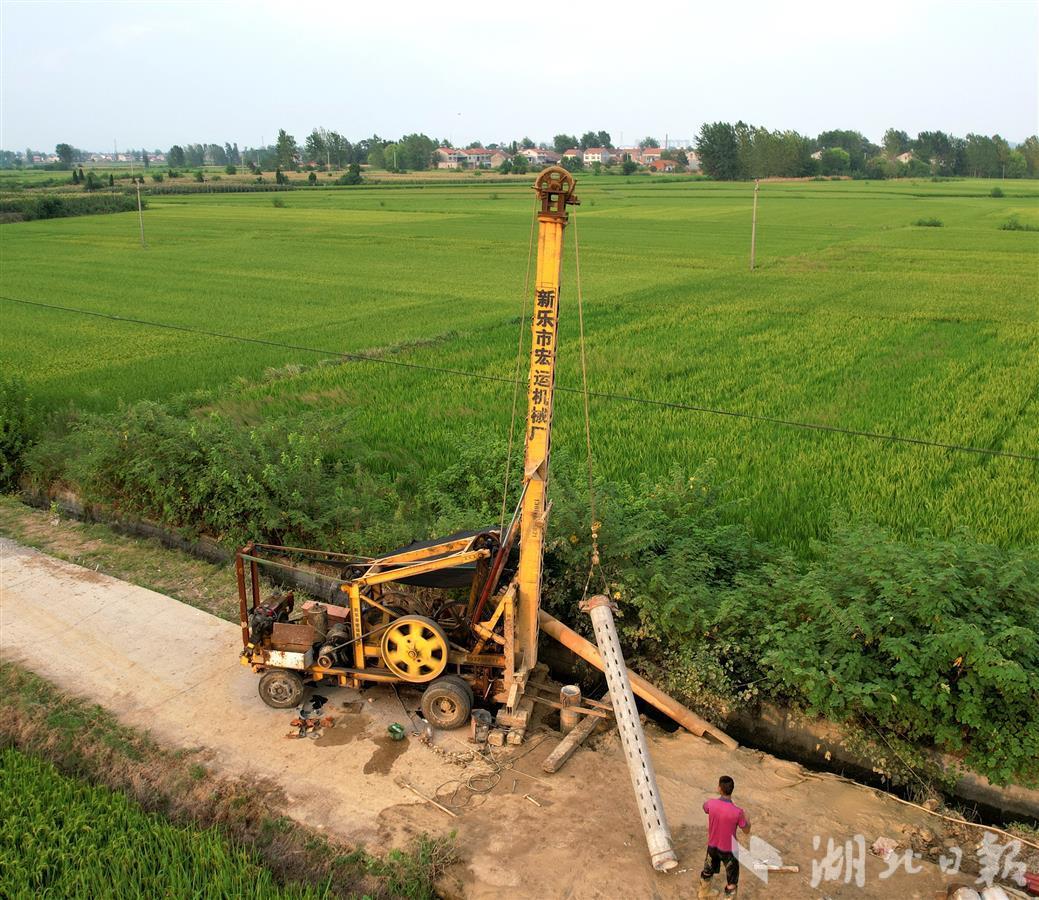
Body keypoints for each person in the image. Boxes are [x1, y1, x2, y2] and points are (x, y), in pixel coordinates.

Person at [700, 775, 750, 896]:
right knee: (732, 879)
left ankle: (703, 894)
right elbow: (746, 830)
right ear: (732, 789)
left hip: (712, 846)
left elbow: (705, 807)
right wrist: (748, 821)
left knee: (707, 871)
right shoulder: (738, 812)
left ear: (719, 789)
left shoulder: (711, 804)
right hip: (729, 850)